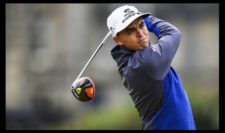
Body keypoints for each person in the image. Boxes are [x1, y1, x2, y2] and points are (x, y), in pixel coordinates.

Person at [106, 5, 196, 130]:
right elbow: (173, 33)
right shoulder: (146, 63)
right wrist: (147, 19)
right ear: (117, 39)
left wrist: (137, 18)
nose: (140, 33)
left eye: (142, 25)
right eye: (130, 31)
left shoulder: (130, 60)